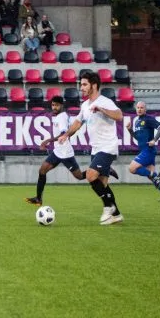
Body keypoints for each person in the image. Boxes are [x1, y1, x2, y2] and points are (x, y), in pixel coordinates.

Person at [57, 71, 125, 225]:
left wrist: (101, 109)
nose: (81, 88)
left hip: (108, 147)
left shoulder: (104, 101)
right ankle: (117, 214)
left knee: (90, 175)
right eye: (81, 84)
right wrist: (66, 134)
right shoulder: (85, 105)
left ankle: (108, 207)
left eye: (84, 84)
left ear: (94, 85)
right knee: (102, 184)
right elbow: (78, 122)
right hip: (96, 149)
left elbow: (119, 116)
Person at [26, 96, 87, 205]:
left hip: (65, 152)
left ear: (61, 105)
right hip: (57, 151)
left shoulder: (61, 117)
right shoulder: (59, 116)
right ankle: (38, 199)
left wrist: (48, 140)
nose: (54, 107)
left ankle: (101, 170)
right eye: (53, 105)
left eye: (57, 105)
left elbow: (64, 134)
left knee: (79, 176)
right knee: (42, 171)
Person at [127, 101, 160, 202]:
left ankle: (154, 175)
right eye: (138, 107)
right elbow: (137, 137)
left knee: (132, 168)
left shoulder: (148, 119)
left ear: (145, 109)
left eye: (141, 108)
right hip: (145, 151)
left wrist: (154, 140)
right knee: (152, 177)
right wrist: (130, 130)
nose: (139, 109)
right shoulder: (137, 121)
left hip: (148, 150)